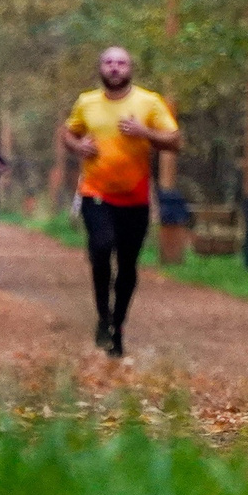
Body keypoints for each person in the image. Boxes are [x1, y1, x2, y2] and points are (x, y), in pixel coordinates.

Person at [61, 45, 180, 357]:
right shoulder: (87, 102)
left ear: (131, 68)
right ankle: (102, 316)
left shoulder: (148, 102)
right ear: (100, 68)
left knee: (127, 265)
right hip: (95, 192)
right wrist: (78, 146)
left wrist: (144, 132)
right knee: (101, 250)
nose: (115, 68)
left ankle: (118, 324)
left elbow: (175, 141)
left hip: (135, 197)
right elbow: (68, 133)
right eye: (109, 62)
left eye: (121, 63)